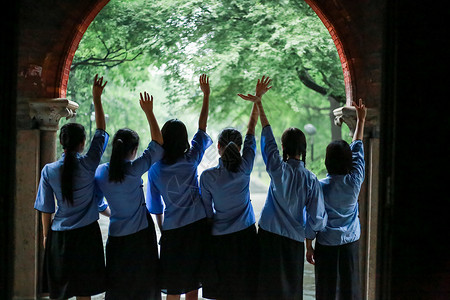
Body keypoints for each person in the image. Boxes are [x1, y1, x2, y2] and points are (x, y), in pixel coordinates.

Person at [238, 77, 328, 300]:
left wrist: (260, 103)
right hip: (294, 241)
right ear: (303, 149)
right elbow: (316, 218)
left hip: (268, 236)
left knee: (265, 290)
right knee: (290, 291)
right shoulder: (311, 179)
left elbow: (267, 141)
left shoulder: (278, 169)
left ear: (284, 148)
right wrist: (308, 240)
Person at [34, 74, 109, 300]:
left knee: (61, 293)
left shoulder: (49, 170)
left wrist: (48, 237)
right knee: (84, 293)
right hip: (87, 236)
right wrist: (97, 97)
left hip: (60, 238)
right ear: (82, 143)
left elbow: (45, 208)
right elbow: (102, 133)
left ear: (61, 142)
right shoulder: (89, 164)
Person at [199, 77, 271, 300]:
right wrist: (256, 101)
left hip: (220, 239)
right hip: (246, 237)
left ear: (218, 147)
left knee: (223, 292)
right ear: (239, 148)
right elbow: (251, 130)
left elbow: (207, 212)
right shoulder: (246, 167)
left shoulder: (208, 177)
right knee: (246, 290)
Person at [146, 74, 212, 300]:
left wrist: (163, 230)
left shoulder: (155, 169)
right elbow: (202, 128)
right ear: (184, 139)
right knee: (193, 285)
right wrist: (206, 95)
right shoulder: (191, 159)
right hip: (197, 227)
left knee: (173, 286)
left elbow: (156, 207)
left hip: (173, 230)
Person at [94, 91, 164, 300]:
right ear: (133, 150)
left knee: (118, 287)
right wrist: (149, 112)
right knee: (145, 285)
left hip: (116, 237)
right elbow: (158, 145)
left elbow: (98, 204)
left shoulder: (100, 172)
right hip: (141, 235)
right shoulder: (134, 169)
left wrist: (115, 213)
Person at [306, 98, 367, 300]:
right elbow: (357, 149)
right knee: (350, 288)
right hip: (350, 243)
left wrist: (308, 244)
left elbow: (313, 217)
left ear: (327, 160)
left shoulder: (319, 187)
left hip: (326, 245)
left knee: (326, 290)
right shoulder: (354, 182)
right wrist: (361, 120)